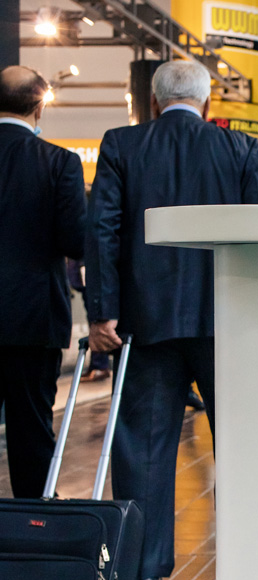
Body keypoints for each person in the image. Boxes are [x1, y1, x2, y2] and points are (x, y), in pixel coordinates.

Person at [86, 60, 258, 580]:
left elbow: (102, 231)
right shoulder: (241, 149)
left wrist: (102, 313)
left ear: (152, 102)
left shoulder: (121, 146)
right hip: (227, 324)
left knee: (144, 448)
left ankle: (143, 576)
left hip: (146, 324)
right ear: (208, 104)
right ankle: (252, 562)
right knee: (241, 443)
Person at [0, 66, 86, 498]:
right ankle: (32, 527)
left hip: (30, 320)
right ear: (39, 107)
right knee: (31, 433)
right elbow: (75, 240)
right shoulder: (59, 162)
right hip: (33, 320)